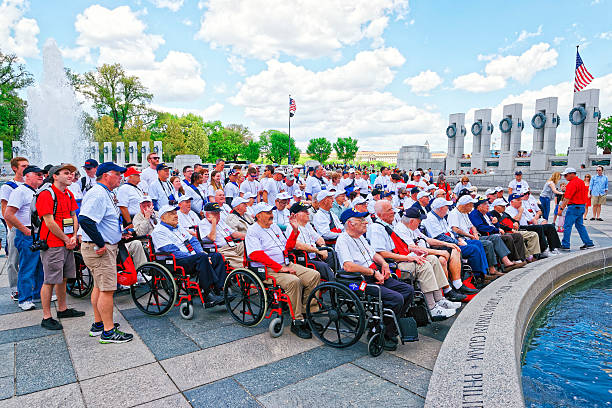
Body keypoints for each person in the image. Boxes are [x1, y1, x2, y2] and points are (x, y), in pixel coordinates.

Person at [335, 208, 414, 351]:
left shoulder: (361, 237)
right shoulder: (342, 240)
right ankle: (384, 331)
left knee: (408, 290)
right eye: (361, 221)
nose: (366, 223)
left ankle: (390, 326)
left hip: (372, 273)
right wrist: (373, 272)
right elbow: (348, 266)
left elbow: (374, 254)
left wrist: (384, 264)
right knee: (396, 299)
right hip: (356, 282)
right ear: (350, 224)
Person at [367, 201, 460, 319]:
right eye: (389, 210)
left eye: (392, 209)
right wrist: (408, 257)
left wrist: (415, 252)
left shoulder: (387, 225)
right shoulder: (377, 228)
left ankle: (439, 299)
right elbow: (381, 253)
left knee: (432, 259)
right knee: (424, 264)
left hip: (400, 258)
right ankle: (432, 308)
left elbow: (402, 245)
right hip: (392, 265)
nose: (393, 212)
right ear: (380, 214)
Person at [245, 203, 321, 339]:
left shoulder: (274, 227)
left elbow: (288, 247)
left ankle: (306, 313)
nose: (271, 215)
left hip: (285, 263)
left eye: (271, 212)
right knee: (294, 281)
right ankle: (297, 321)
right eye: (267, 213)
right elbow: (255, 254)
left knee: (314, 275)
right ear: (258, 216)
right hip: (268, 269)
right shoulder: (253, 231)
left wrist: (295, 231)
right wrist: (279, 268)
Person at [78, 162, 134, 344]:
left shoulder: (105, 193)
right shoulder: (98, 193)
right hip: (100, 249)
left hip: (101, 246)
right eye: (117, 174)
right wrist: (101, 242)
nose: (121, 177)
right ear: (105, 175)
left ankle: (99, 324)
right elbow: (85, 219)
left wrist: (119, 232)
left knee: (99, 287)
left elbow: (103, 221)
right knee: (108, 290)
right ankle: (108, 332)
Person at [36, 164, 86, 330]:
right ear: (54, 176)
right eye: (66, 173)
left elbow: (73, 215)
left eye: (71, 173)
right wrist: (66, 238)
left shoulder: (68, 193)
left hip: (67, 243)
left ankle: (63, 309)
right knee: (50, 280)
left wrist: (73, 236)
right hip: (52, 244)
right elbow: (49, 221)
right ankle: (46, 316)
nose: (71, 175)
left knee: (63, 278)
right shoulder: (46, 194)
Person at [151, 204, 227, 307]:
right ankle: (207, 293)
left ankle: (219, 289)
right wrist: (195, 256)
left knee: (217, 256)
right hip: (174, 261)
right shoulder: (159, 231)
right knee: (201, 258)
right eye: (172, 214)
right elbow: (172, 251)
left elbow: (194, 241)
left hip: (191, 257)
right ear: (163, 217)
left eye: (175, 213)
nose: (176, 215)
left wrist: (200, 252)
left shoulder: (178, 227)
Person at [394, 208, 474, 299]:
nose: (420, 222)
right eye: (419, 220)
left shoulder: (412, 227)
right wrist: (440, 252)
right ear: (412, 221)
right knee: (442, 260)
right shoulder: (401, 229)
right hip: (415, 256)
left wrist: (446, 244)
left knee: (455, 249)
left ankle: (458, 284)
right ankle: (447, 291)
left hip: (425, 250)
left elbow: (427, 239)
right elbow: (416, 249)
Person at [5, 165, 45, 311]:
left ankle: (37, 294)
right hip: (27, 233)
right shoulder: (20, 191)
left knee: (40, 266)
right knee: (27, 267)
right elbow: (8, 214)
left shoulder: (36, 191)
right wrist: (24, 230)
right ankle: (24, 299)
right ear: (27, 176)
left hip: (37, 233)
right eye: (37, 174)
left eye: (41, 174)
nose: (41, 176)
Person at [422, 197, 490, 279]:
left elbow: (450, 231)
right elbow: (440, 237)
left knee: (477, 243)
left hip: (453, 241)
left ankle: (484, 271)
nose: (448, 209)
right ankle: (478, 277)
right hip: (444, 246)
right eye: (446, 207)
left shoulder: (441, 216)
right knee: (473, 249)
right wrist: (457, 242)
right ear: (440, 208)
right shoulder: (430, 218)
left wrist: (458, 238)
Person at [1, 156, 29, 301]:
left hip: (30, 228)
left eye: (27, 165)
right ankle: (15, 289)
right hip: (15, 228)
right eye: (23, 166)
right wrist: (12, 228)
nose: (26, 168)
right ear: (14, 168)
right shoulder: (8, 187)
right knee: (13, 259)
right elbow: (4, 208)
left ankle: (28, 286)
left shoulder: (30, 184)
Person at [470, 198, 527, 265]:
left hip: (496, 233)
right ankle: (512, 260)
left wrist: (496, 223)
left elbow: (497, 225)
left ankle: (521, 258)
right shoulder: (475, 214)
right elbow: (481, 227)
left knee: (518, 236)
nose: (488, 205)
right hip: (488, 235)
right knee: (507, 237)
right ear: (479, 207)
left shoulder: (487, 214)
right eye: (485, 204)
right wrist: (497, 229)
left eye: (487, 203)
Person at [289, 202, 335, 282]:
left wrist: (323, 247)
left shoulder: (307, 225)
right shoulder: (291, 227)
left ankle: (340, 280)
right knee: (324, 266)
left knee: (333, 255)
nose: (308, 213)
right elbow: (299, 245)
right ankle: (336, 289)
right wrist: (318, 251)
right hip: (304, 258)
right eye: (305, 211)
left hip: (315, 255)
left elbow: (319, 238)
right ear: (295, 215)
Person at [198, 202, 245, 269]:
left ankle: (254, 265)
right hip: (220, 249)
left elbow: (234, 234)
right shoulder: (203, 223)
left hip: (231, 245)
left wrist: (249, 235)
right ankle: (245, 270)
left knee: (246, 244)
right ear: (208, 215)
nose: (218, 215)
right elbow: (212, 238)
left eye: (219, 212)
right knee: (241, 261)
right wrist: (214, 222)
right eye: (215, 213)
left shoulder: (221, 221)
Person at [558, 168, 594, 251]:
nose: (565, 177)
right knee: (580, 225)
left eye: (566, 175)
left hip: (574, 207)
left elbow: (566, 198)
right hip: (581, 206)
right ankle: (588, 243)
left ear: (571, 174)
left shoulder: (572, 183)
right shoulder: (581, 182)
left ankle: (565, 245)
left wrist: (561, 208)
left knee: (567, 226)